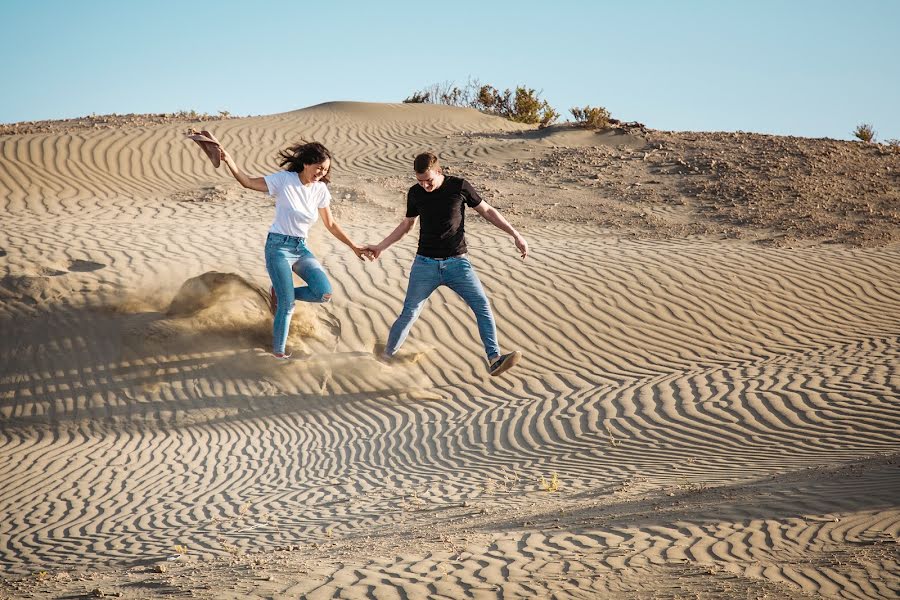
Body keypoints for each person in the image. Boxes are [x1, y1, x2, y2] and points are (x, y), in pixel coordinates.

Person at [365, 152, 528, 377]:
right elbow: (406, 225)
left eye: (429, 180)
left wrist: (515, 235)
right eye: (420, 181)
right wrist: (381, 246)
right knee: (409, 313)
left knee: (482, 306)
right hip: (425, 265)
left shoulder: (459, 186)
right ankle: (384, 360)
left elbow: (488, 211)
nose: (425, 185)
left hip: (458, 264)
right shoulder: (415, 193)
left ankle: (494, 359)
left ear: (439, 172)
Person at [218, 141, 370, 358]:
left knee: (323, 292)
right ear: (306, 163)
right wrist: (228, 160)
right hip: (278, 247)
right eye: (319, 167)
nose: (321, 173)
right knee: (287, 306)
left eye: (325, 169)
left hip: (300, 248)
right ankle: (278, 353)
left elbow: (331, 224)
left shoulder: (320, 190)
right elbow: (248, 182)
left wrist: (354, 246)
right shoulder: (284, 180)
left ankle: (279, 293)